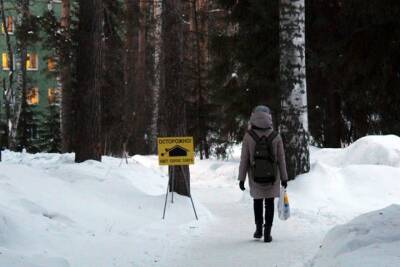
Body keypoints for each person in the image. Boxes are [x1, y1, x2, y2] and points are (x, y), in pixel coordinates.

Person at [238, 105, 288, 243]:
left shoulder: (248, 136)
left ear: (253, 116)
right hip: (273, 176)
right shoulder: (276, 136)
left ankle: (258, 229)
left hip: (255, 175)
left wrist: (241, 179)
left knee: (257, 201)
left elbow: (244, 159)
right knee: (269, 203)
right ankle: (267, 232)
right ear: (269, 117)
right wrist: (284, 177)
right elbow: (281, 159)